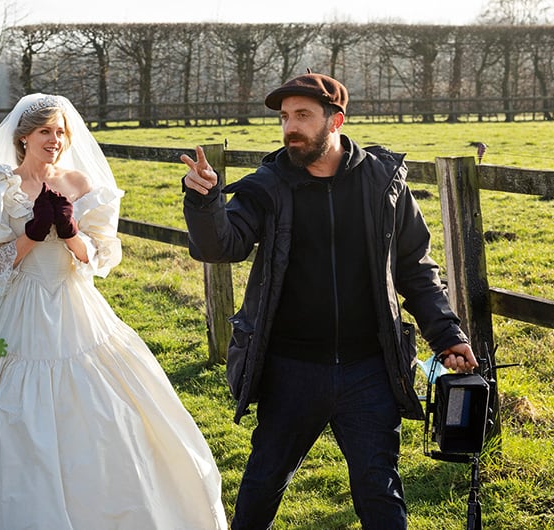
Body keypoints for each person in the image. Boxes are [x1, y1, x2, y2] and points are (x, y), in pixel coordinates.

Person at [0, 93, 228, 530]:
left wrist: (70, 233)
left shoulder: (81, 184)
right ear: (24, 137)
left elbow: (102, 257)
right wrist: (31, 233)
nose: (55, 139)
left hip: (74, 306)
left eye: (60, 131)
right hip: (12, 304)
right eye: (45, 131)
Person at [180, 72, 479, 530]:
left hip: (368, 368)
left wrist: (448, 336)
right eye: (284, 117)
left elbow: (415, 269)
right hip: (290, 368)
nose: (290, 127)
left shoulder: (384, 184)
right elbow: (222, 246)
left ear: (335, 120)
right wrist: (204, 204)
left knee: (379, 490)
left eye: (302, 115)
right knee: (262, 484)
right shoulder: (269, 185)